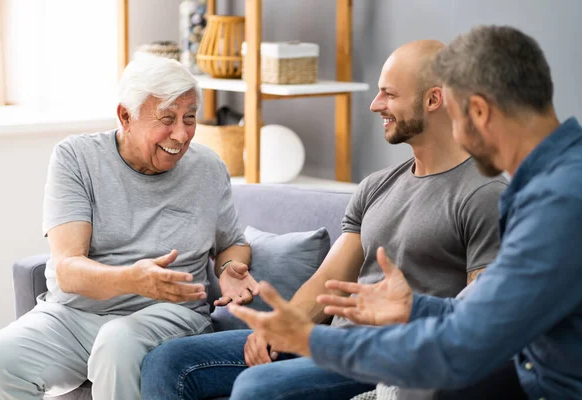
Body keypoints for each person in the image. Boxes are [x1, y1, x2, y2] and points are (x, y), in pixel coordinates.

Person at [140, 40, 508, 400]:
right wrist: (282, 327)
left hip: (393, 356)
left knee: (258, 388)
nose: (375, 104)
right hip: (332, 343)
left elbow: (480, 319)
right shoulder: (376, 186)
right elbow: (326, 283)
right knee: (166, 362)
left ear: (433, 99)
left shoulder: (483, 194)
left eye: (389, 94)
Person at [229, 25, 582, 400]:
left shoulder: (558, 204)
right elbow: (484, 318)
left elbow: (462, 347)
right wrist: (415, 307)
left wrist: (312, 341)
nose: (458, 138)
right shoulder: (554, 183)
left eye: (457, 118)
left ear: (478, 111)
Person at [0, 56, 260, 400]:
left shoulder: (207, 167)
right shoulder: (77, 158)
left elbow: (231, 242)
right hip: (75, 314)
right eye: (167, 119)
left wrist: (230, 267)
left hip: (170, 315)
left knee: (117, 342)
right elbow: (68, 270)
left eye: (189, 118)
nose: (181, 134)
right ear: (125, 117)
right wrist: (131, 279)